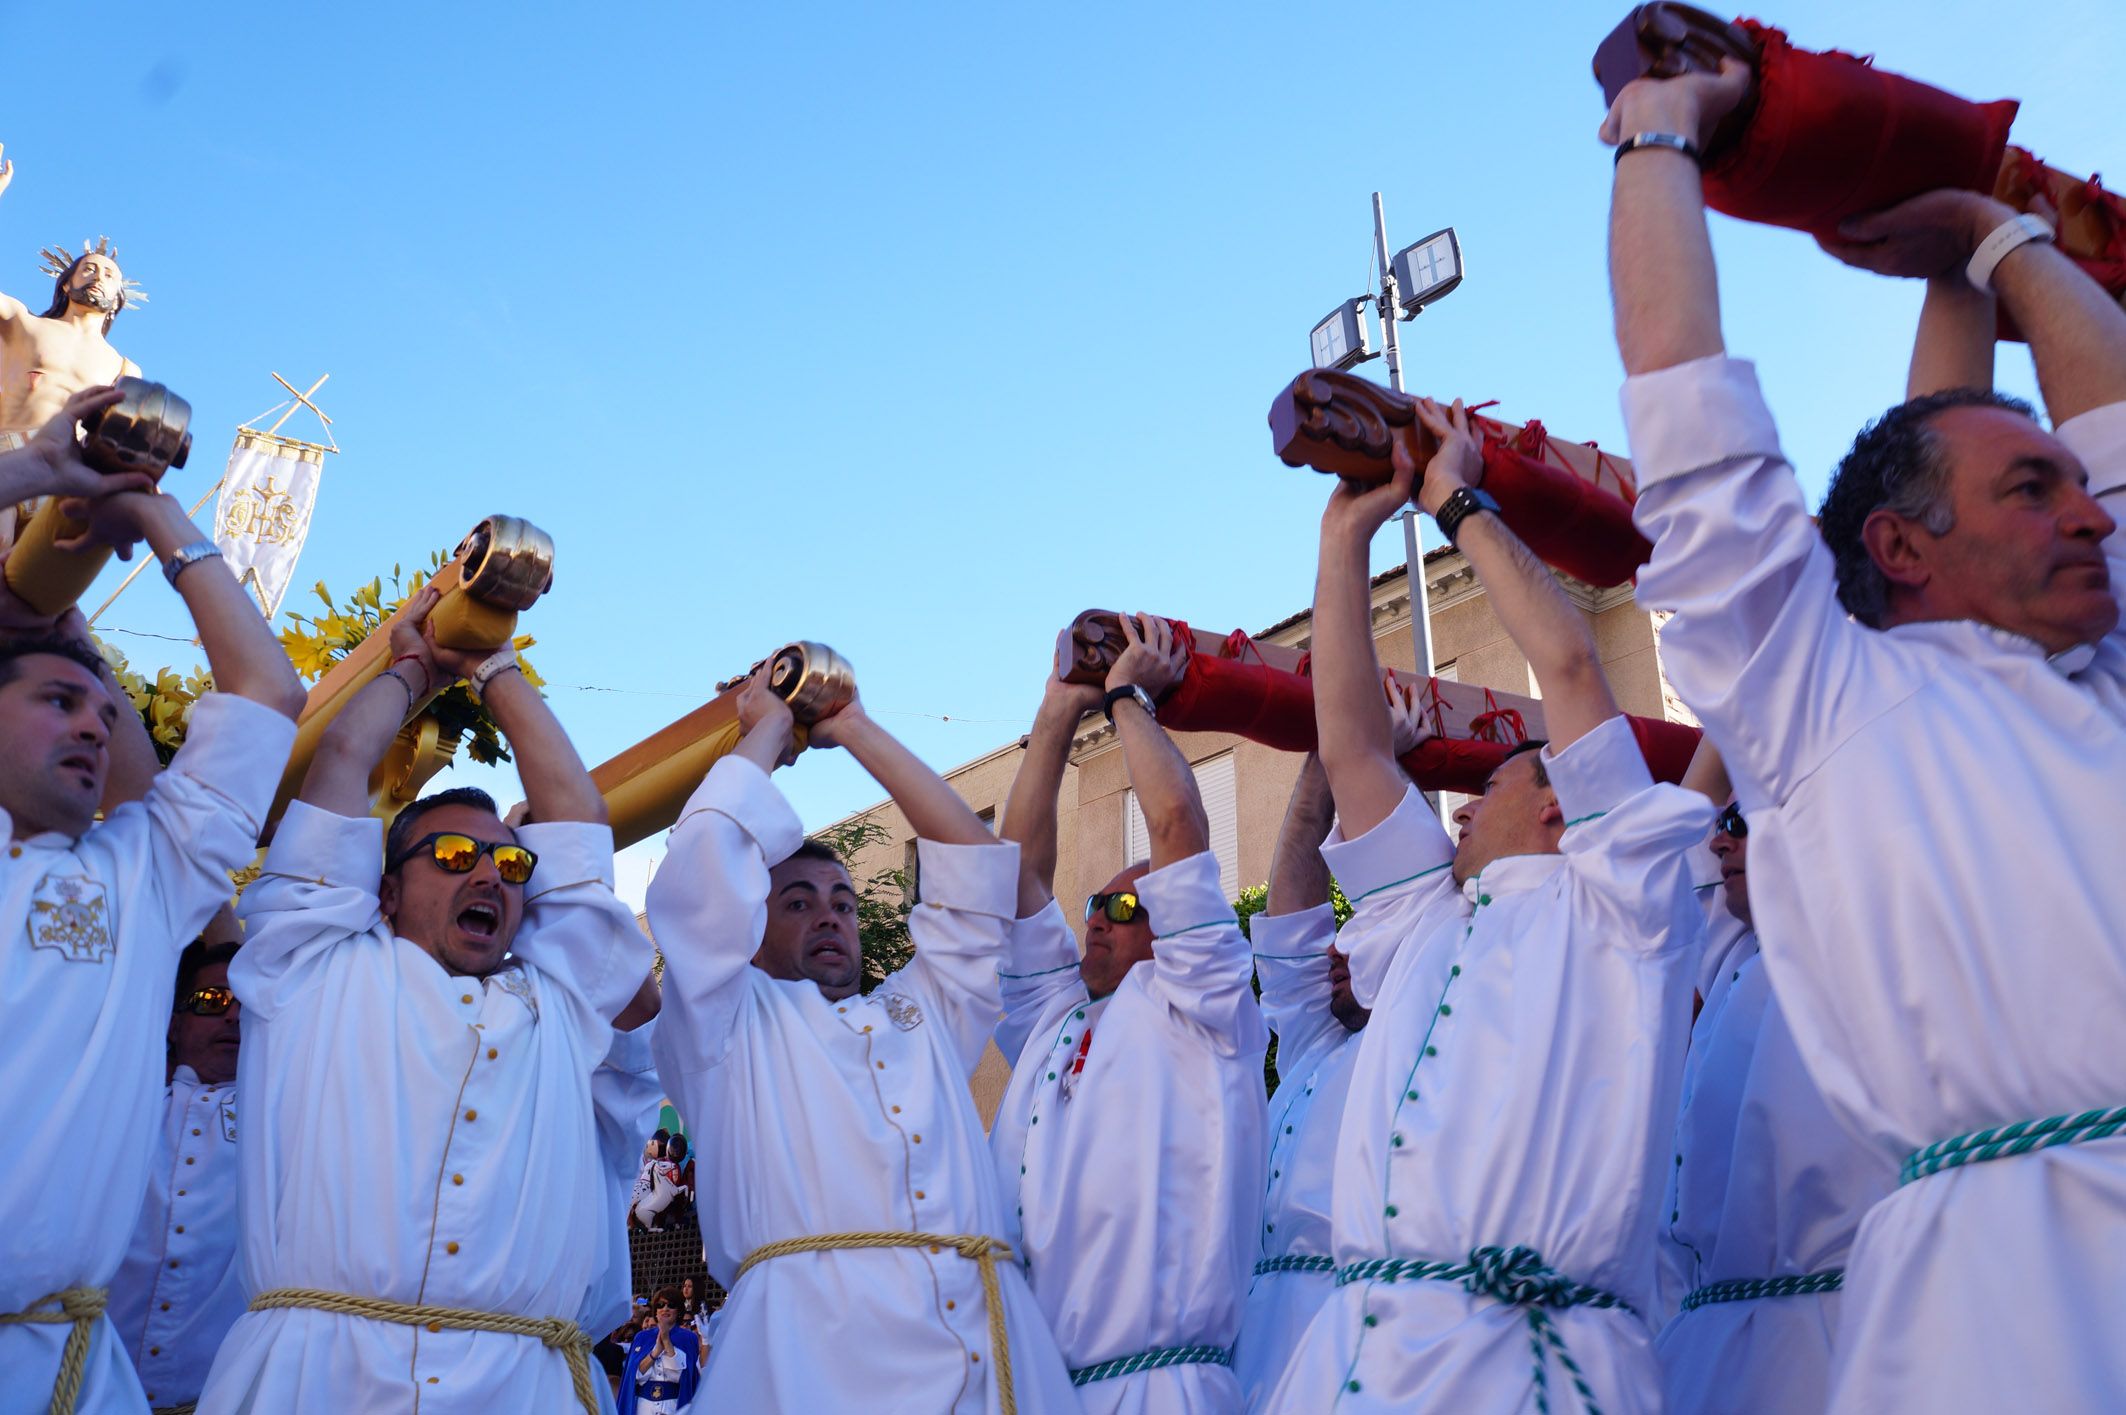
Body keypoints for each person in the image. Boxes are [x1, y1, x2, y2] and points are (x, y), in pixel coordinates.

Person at [1604, 57, 2126, 1412]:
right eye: (2033, 488)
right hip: (1997, 1315)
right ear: (1899, 548)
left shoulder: (2110, 672)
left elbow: (2115, 420)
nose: (2091, 513)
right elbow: (1690, 417)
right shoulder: (1825, 708)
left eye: (2081, 486)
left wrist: (1990, 239)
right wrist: (1656, 136)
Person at [1261, 399, 1711, 1414]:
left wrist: (1453, 499)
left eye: (1491, 785)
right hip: (1361, 1361)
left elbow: (1565, 665)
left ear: (1561, 803)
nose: (1460, 807)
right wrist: (1342, 538)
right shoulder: (1423, 921)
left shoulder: (1621, 901)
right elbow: (1354, 750)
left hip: (1532, 1366)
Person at [197, 585, 652, 1414]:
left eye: (511, 866)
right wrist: (414, 669)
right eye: (451, 853)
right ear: (383, 892)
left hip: (518, 1387)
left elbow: (578, 822)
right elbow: (340, 767)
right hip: (317, 1378)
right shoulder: (315, 969)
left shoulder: (560, 1002)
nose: (487, 872)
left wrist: (497, 670)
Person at [646, 666, 1078, 1413]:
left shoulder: (923, 1011)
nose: (830, 917)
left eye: (843, 902)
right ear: (749, 929)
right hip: (811, 1364)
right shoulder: (729, 1021)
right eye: (800, 901)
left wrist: (851, 725)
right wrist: (768, 731)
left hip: (983, 1353)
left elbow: (978, 870)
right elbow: (700, 875)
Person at [0, 393, 304, 1415]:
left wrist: (156, 516)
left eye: (105, 706)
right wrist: (39, 473)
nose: (97, 724)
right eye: (57, 700)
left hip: (63, 1373)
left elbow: (264, 690)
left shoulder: (142, 872)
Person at [991, 617, 1269, 1412]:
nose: (1100, 917)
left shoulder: (1201, 1005)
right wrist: (1056, 712)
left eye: (1124, 903)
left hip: (1161, 1387)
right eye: (1096, 904)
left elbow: (1179, 824)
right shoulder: (1054, 1018)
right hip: (1035, 1389)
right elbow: (1017, 882)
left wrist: (1125, 698)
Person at [1652, 744, 1896, 1414]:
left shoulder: (1857, 945)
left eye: (1743, 824)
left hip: (1837, 1336)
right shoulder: (1731, 953)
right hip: (1718, 1339)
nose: (1722, 841)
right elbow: (1680, 849)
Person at [1231, 748, 1377, 1409]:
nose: (1339, 947)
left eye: (1367, 936)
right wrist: (1327, 752)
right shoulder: (1318, 1042)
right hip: (1258, 1325)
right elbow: (1290, 930)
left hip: (1355, 1328)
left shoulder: (1431, 1037)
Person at [106, 908, 257, 1414]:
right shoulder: (118, 1104)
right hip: (89, 1390)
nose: (233, 1015)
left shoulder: (285, 1123)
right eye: (212, 1001)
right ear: (173, 1022)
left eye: (247, 1005)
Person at [616, 1286, 701, 1414]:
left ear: (678, 1310)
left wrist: (666, 1341)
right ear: (655, 1311)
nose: (665, 1308)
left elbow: (684, 1376)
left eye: (671, 1305)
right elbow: (634, 1375)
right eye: (660, 1305)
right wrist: (655, 1352)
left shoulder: (688, 1338)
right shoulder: (642, 1337)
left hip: (673, 1407)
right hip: (643, 1407)